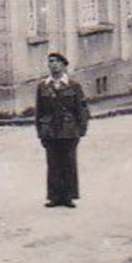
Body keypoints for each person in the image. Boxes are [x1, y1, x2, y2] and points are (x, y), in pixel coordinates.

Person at [36, 52, 90, 208]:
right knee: (53, 163)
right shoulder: (43, 86)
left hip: (68, 129)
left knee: (68, 163)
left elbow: (81, 109)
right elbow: (39, 111)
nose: (53, 65)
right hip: (50, 130)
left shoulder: (73, 85)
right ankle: (54, 196)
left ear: (63, 65)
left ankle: (68, 196)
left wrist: (81, 130)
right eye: (50, 62)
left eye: (56, 62)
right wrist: (40, 132)